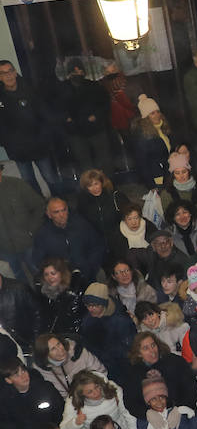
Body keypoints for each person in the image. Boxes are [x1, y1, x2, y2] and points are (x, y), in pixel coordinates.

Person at [0, 59, 59, 195]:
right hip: (18, 149)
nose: (8, 75)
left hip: (39, 144)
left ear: (15, 72)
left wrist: (44, 136)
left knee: (51, 178)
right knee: (28, 182)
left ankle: (60, 207)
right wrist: (7, 142)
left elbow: (45, 114)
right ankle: (40, 212)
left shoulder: (31, 90)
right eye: (3, 73)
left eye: (10, 71)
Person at [58, 59, 115, 179]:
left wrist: (96, 116)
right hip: (75, 131)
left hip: (96, 129)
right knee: (84, 164)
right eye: (74, 72)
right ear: (69, 74)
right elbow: (57, 108)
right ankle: (90, 188)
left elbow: (105, 104)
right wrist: (67, 118)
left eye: (79, 71)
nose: (77, 74)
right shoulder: (62, 89)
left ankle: (108, 185)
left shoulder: (94, 86)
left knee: (105, 160)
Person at [31, 196, 104, 287]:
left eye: (64, 210)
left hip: (88, 274)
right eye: (56, 212)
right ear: (49, 214)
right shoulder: (42, 235)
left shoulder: (81, 225)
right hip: (63, 282)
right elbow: (39, 261)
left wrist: (91, 267)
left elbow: (97, 246)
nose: (61, 215)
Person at [60, 369, 135, 429]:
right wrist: (76, 423)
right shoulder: (73, 402)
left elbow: (128, 414)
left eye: (97, 387)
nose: (96, 392)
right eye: (90, 392)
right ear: (81, 394)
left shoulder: (112, 389)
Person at [0, 164, 47, 282]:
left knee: (38, 272)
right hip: (4, 248)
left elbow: (39, 206)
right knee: (15, 277)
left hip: (28, 242)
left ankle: (46, 296)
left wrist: (31, 230)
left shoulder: (17, 185)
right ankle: (26, 296)